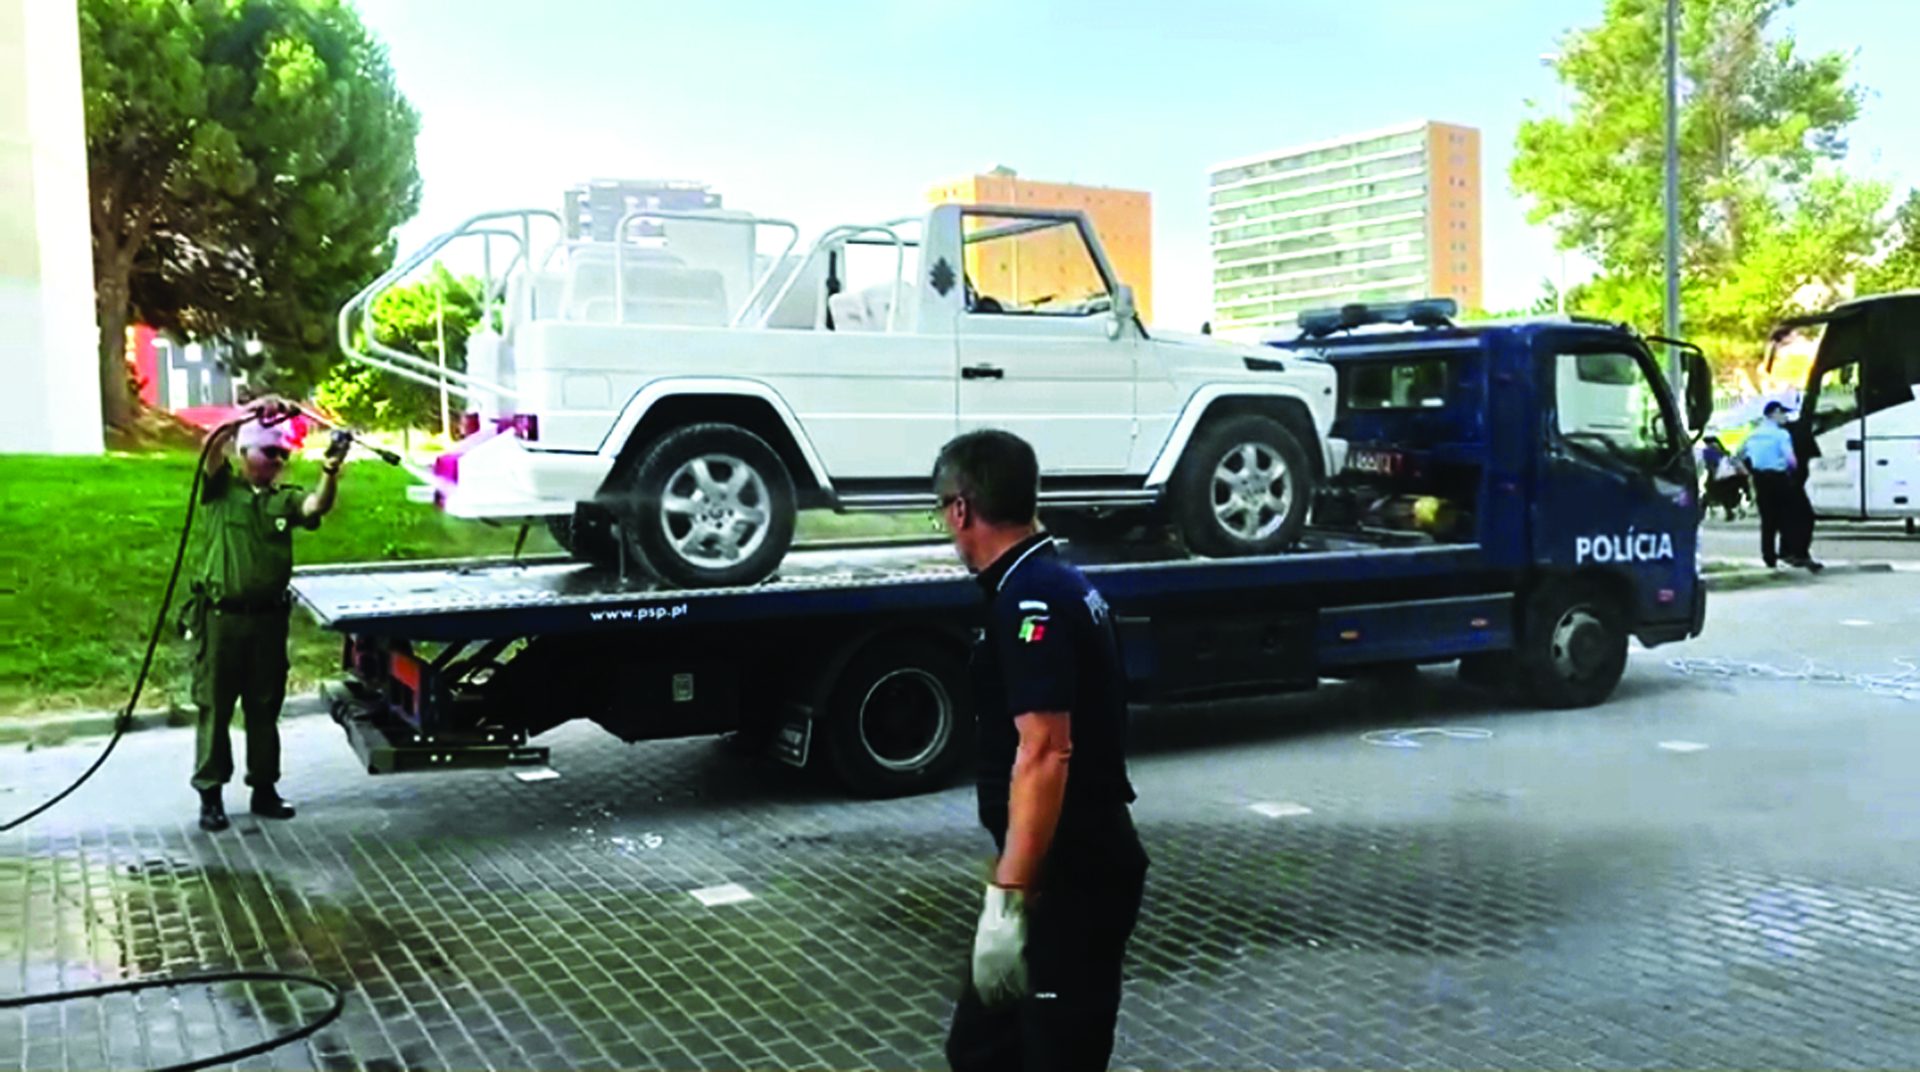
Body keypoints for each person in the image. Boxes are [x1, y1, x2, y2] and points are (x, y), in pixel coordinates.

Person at [935, 429, 1149, 1072]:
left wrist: (1009, 896)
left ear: (961, 509)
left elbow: (1045, 752)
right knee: (981, 1049)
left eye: (942, 512)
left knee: (1056, 1054)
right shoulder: (1055, 580)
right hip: (1064, 865)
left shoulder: (1030, 599)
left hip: (1073, 875)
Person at [187, 397, 350, 831]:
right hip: (221, 619)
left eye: (282, 454)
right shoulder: (222, 489)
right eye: (268, 452)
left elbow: (316, 506)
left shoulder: (284, 500)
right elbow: (211, 444)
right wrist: (249, 410)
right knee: (216, 707)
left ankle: (264, 788)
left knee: (264, 707)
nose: (277, 460)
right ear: (245, 454)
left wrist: (330, 470)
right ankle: (211, 795)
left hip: (267, 621)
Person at [1736, 401, 1821, 572]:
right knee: (1792, 516)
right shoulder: (1781, 435)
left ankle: (1769, 557)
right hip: (1779, 478)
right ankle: (1795, 553)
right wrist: (1792, 474)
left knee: (1768, 520)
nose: (1785, 417)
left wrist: (1747, 472)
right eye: (1782, 413)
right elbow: (1790, 460)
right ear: (1773, 413)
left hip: (1760, 479)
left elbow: (1737, 456)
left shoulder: (1752, 435)